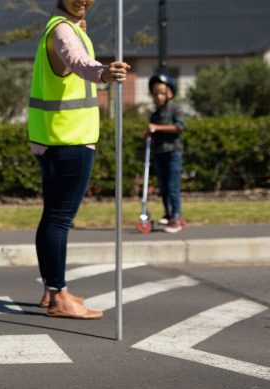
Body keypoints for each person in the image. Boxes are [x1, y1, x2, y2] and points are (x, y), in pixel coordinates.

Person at [28, 0, 130, 319]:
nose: (84, 0)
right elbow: (76, 61)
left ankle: (51, 289)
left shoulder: (63, 27)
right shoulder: (62, 30)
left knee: (52, 217)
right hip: (70, 141)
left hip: (53, 138)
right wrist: (103, 72)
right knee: (59, 219)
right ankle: (59, 296)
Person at [146, 73, 186, 233]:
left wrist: (157, 128)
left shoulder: (175, 109)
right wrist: (148, 132)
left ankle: (177, 217)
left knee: (172, 185)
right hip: (159, 152)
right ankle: (169, 214)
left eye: (162, 93)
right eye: (155, 93)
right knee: (163, 186)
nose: (158, 96)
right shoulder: (155, 114)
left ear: (169, 93)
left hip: (173, 152)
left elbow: (180, 127)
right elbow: (152, 131)